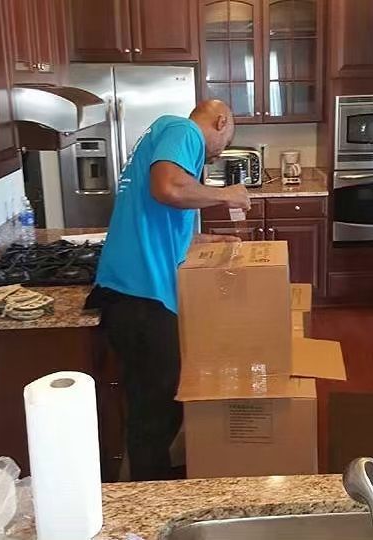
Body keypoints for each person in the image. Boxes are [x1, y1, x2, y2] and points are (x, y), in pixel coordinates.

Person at [86, 100, 250, 481]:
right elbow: (167, 189)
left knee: (153, 399)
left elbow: (160, 218)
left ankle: (152, 476)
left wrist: (205, 238)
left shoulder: (162, 134)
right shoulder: (184, 130)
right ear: (221, 121)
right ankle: (151, 496)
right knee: (156, 408)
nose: (218, 154)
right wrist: (227, 194)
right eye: (223, 144)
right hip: (142, 294)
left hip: (129, 289)